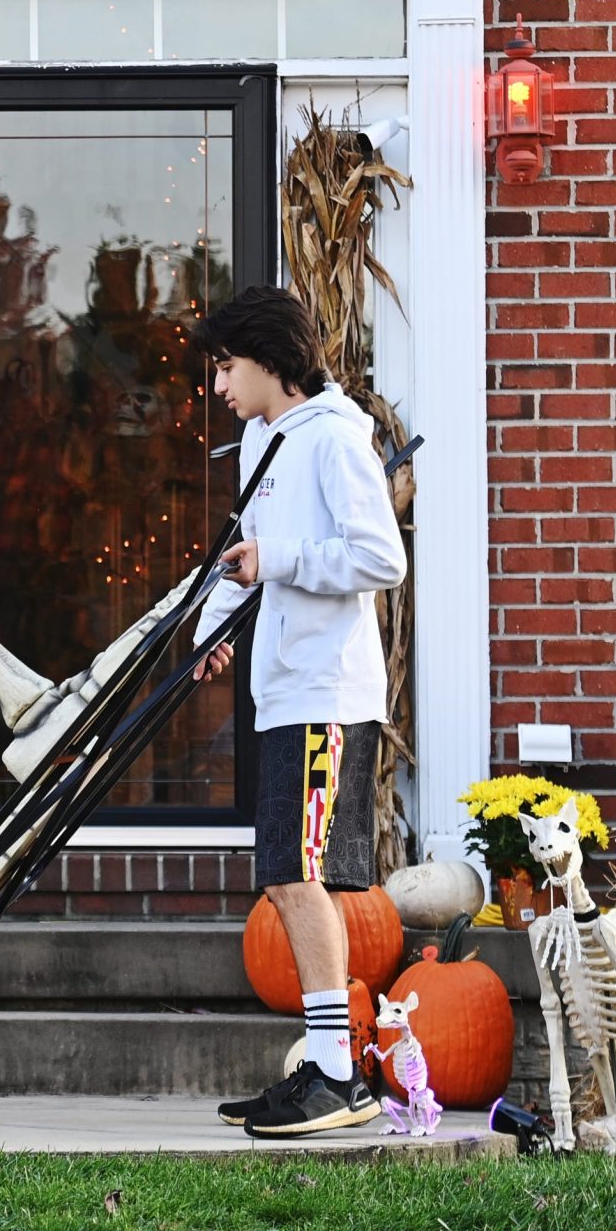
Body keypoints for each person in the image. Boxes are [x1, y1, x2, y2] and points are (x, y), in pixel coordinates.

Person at [189, 285, 407, 1138]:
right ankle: (320, 1065)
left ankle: (335, 1075)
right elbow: (244, 552)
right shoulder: (261, 441)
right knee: (284, 872)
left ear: (270, 361)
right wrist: (214, 629)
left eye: (226, 365)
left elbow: (378, 555)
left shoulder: (335, 439)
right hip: (280, 687)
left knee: (296, 872)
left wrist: (276, 559)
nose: (219, 385)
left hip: (324, 692)